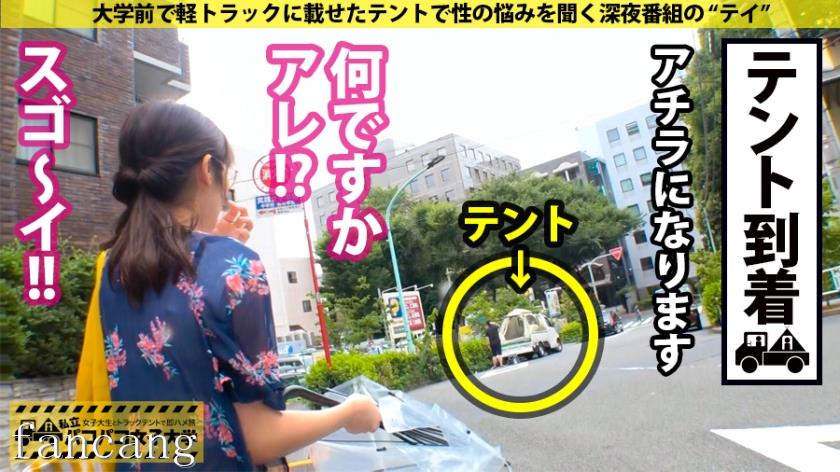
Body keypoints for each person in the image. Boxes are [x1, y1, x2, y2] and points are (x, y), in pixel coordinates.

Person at [95, 102, 381, 471]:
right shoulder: (235, 267)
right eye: (227, 175)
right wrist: (349, 412)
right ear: (206, 169)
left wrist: (211, 240)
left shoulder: (114, 268)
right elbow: (259, 439)